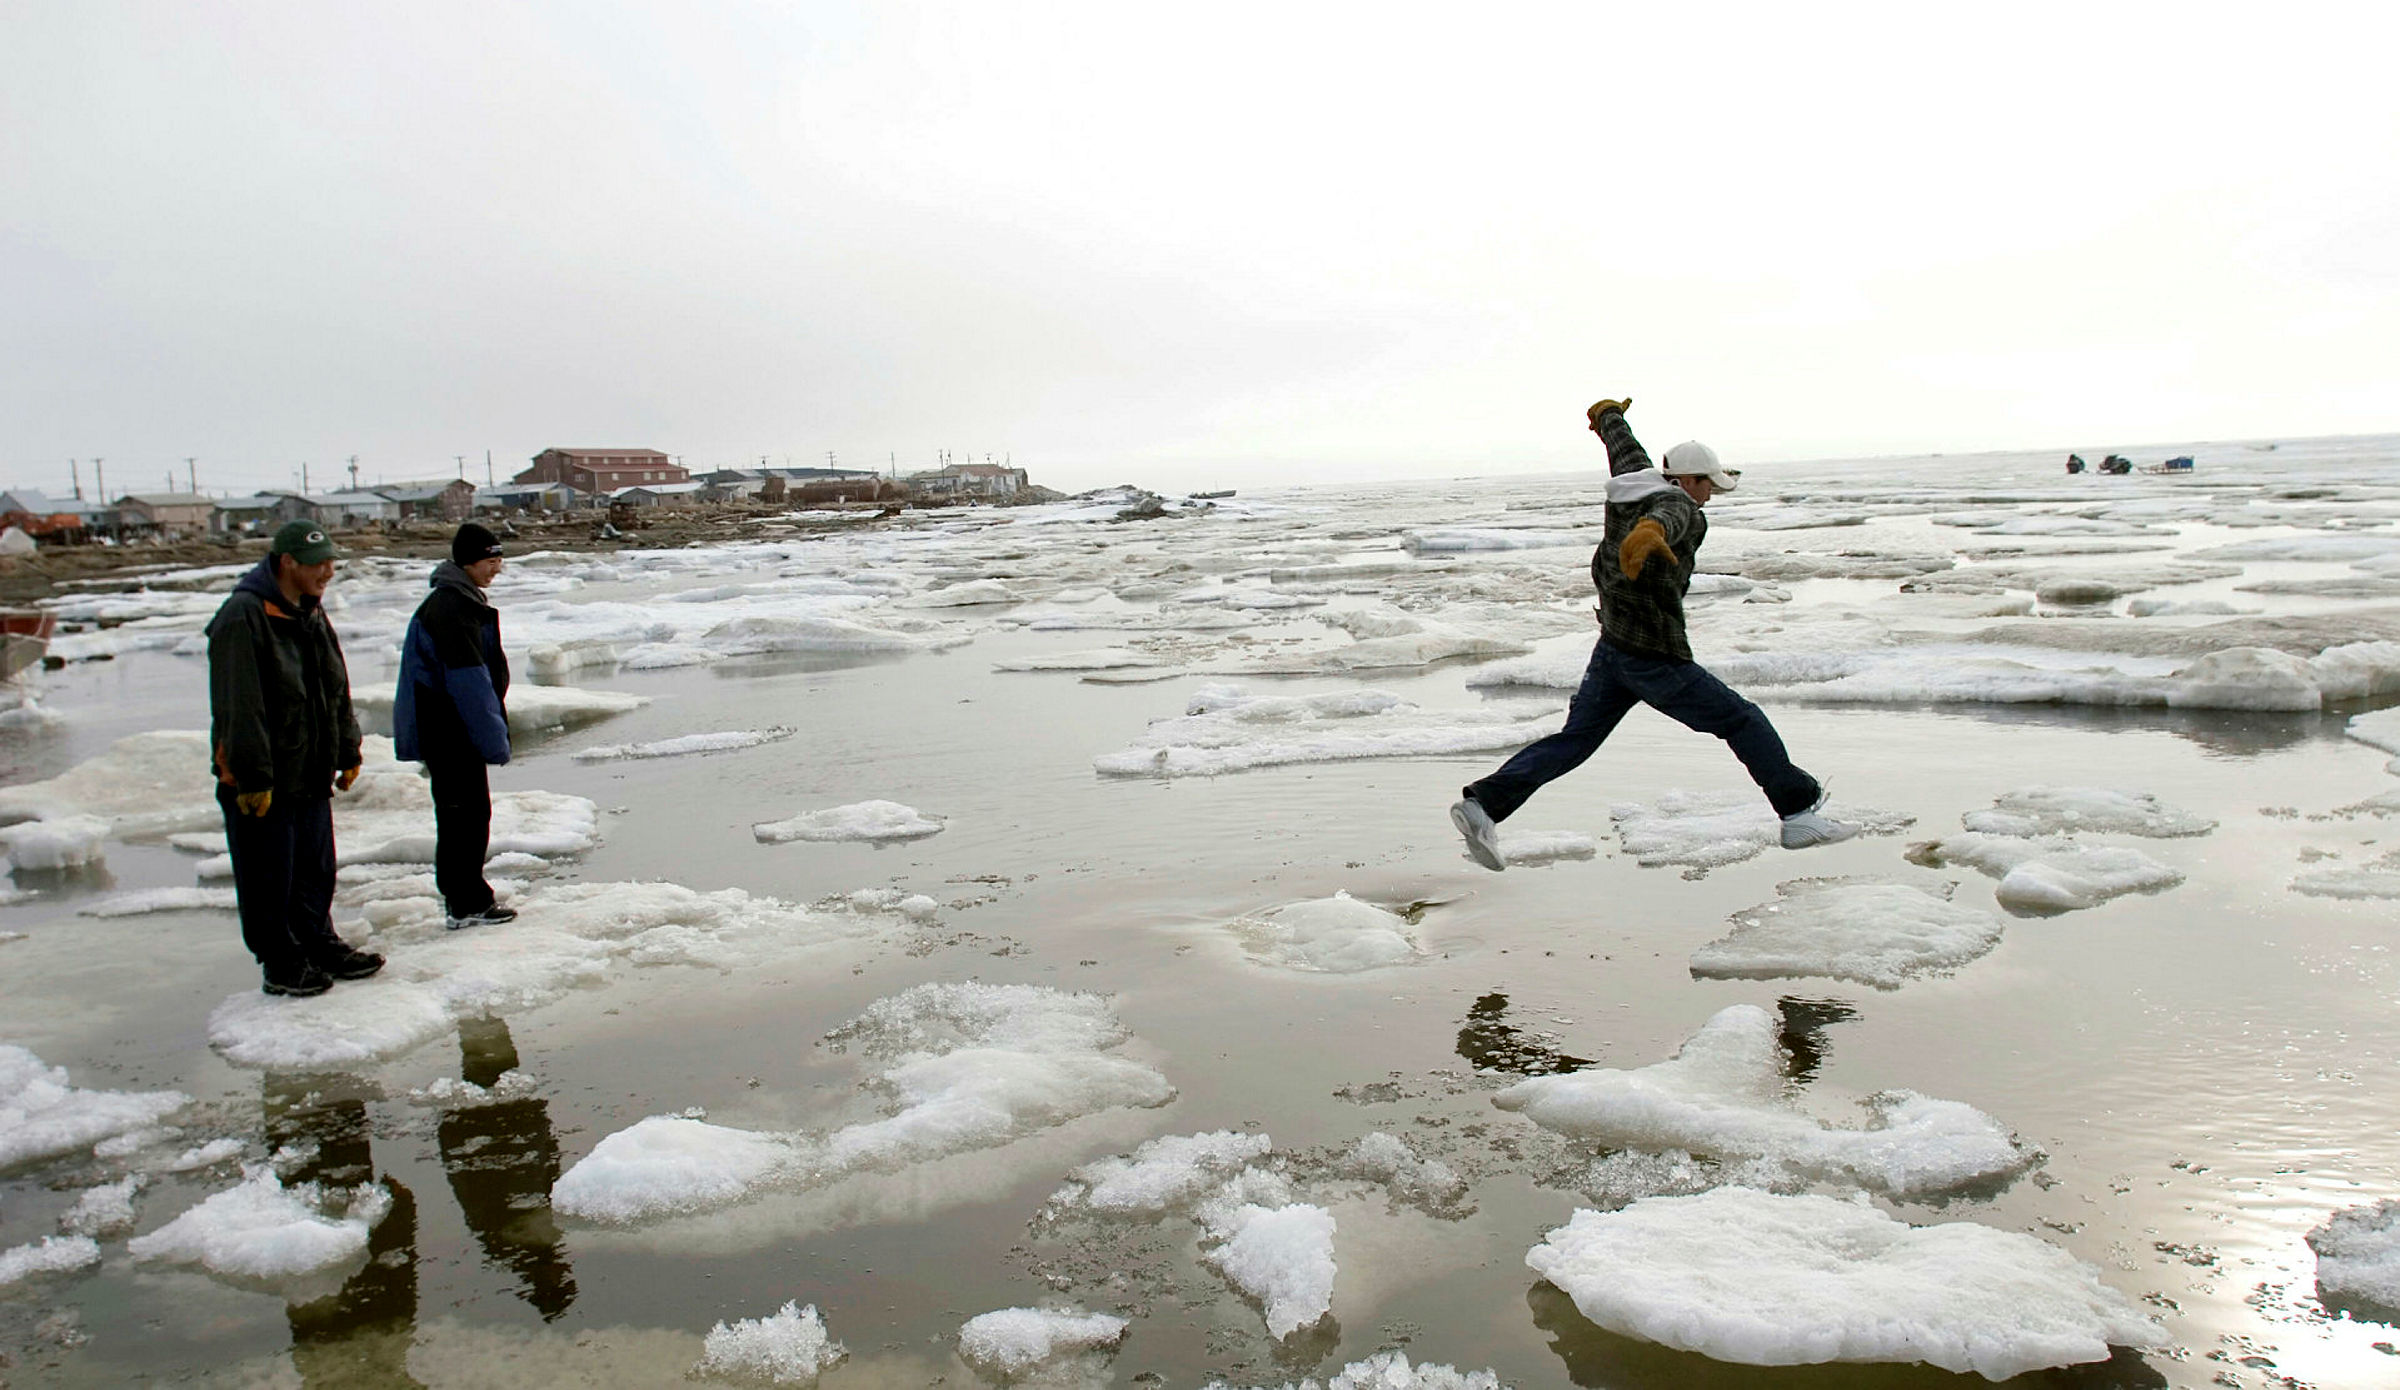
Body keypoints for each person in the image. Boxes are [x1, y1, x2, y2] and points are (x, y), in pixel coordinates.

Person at [1449, 397, 1856, 871]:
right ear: (1688, 480)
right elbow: (1672, 512)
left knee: (1575, 740)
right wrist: (1649, 531)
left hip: (1614, 646)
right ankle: (1797, 812)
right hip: (1652, 652)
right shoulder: (1678, 506)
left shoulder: (1634, 482)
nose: (1708, 495)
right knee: (1742, 721)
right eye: (1706, 484)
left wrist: (1608, 417)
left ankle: (1484, 805)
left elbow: (1625, 451)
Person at [206, 520, 380, 996]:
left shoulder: (309, 612)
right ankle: (279, 960)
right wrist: (251, 777)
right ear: (286, 563)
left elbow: (333, 686)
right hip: (263, 778)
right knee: (269, 875)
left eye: (331, 562)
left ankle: (318, 942)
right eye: (317, 564)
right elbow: (240, 706)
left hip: (309, 768)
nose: (328, 572)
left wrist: (347, 749)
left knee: (314, 868)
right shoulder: (243, 616)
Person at [394, 523, 518, 930]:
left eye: (499, 559)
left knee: (466, 815)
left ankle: (466, 898)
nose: (496, 568)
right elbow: (468, 682)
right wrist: (493, 738)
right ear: (468, 562)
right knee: (462, 816)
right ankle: (465, 903)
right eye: (490, 560)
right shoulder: (450, 608)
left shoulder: (459, 601)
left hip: (452, 730)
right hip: (449, 732)